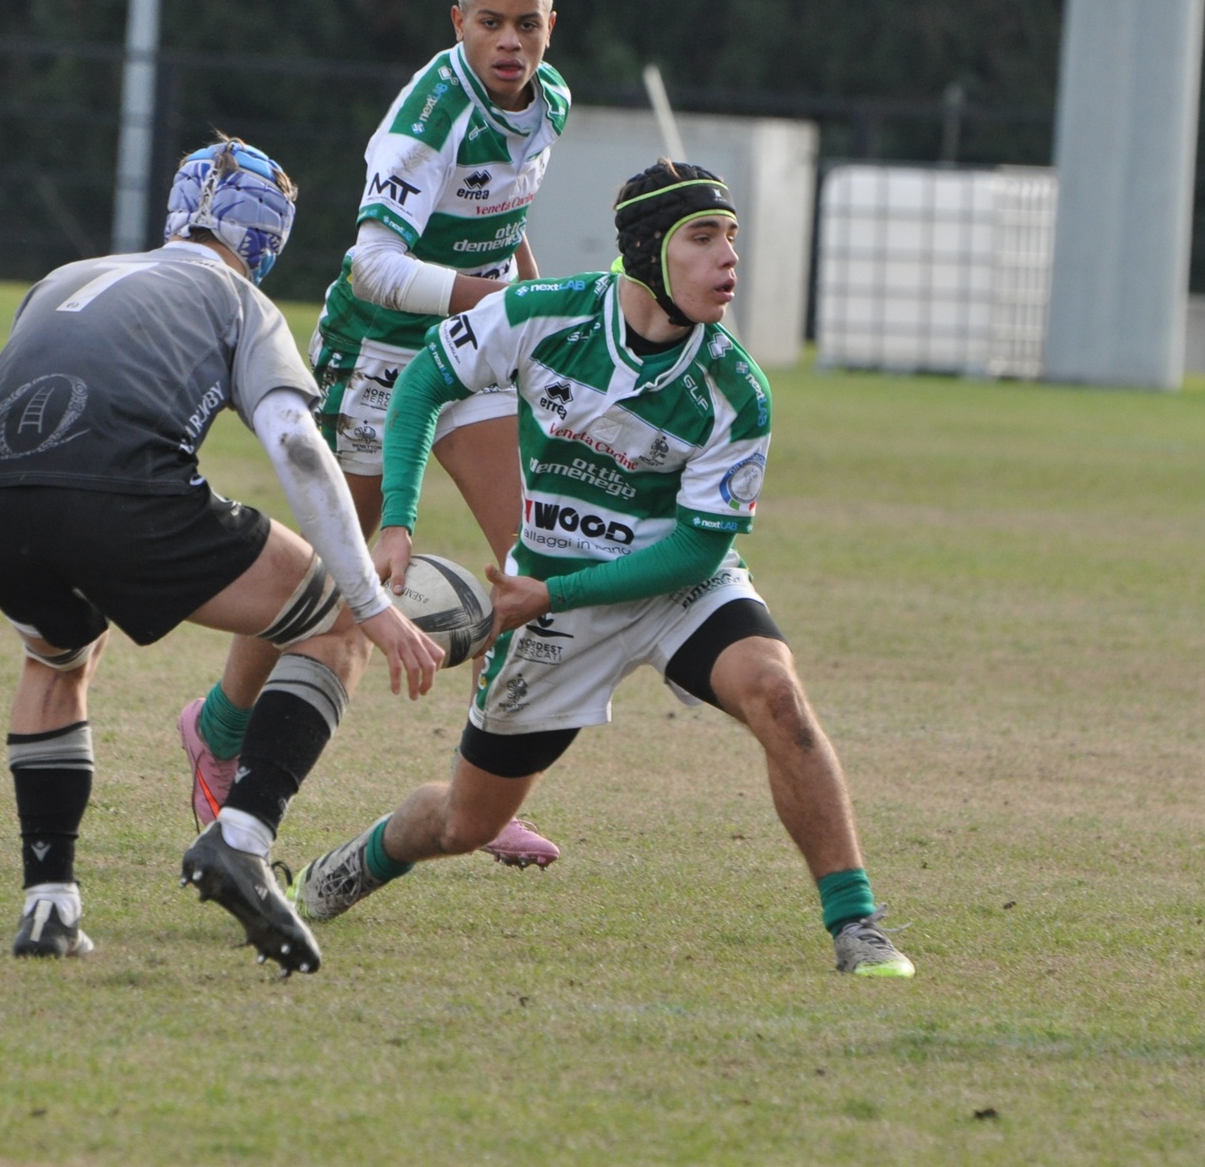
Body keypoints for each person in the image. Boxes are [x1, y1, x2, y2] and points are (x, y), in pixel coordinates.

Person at [290, 161, 916, 978]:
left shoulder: (736, 388)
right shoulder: (543, 313)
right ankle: (361, 860)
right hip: (551, 605)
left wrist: (553, 590)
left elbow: (697, 549)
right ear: (649, 251)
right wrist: (400, 520)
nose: (729, 257)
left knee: (777, 693)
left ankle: (856, 924)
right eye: (703, 238)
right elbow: (423, 383)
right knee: (466, 824)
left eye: (731, 237)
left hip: (672, 586)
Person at [0, 138, 445, 975]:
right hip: (124, 494)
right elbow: (297, 446)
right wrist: (374, 604)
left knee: (56, 659)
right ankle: (242, 835)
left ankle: (49, 903)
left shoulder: (61, 280)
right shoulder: (240, 300)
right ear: (267, 239)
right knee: (337, 619)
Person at [176, 0, 567, 871]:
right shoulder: (427, 120)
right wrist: (509, 302)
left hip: (472, 350)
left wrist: (528, 319)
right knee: (326, 579)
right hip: (378, 358)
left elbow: (506, 221)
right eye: (490, 23)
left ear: (553, 26)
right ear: (457, 23)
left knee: (534, 562)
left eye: (528, 23)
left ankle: (479, 792)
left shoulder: (551, 103)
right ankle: (218, 728)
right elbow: (372, 268)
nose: (510, 41)